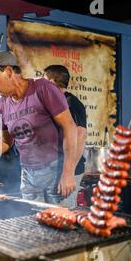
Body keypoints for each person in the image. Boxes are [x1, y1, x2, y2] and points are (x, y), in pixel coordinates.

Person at [0, 51, 77, 204]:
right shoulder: (2, 102)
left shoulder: (43, 88)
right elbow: (5, 141)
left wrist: (68, 173)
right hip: (27, 174)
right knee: (32, 222)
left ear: (9, 71)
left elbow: (70, 127)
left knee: (58, 221)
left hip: (54, 171)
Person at [44, 65, 87, 208]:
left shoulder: (70, 103)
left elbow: (80, 136)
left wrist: (68, 174)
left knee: (64, 214)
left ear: (51, 82)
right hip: (55, 170)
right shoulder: (58, 102)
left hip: (68, 172)